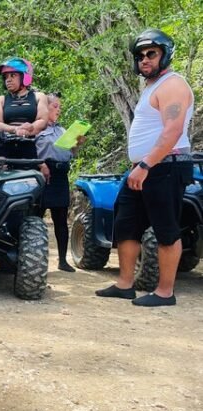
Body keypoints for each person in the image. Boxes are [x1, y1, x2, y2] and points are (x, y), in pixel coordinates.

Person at [95, 28, 194, 307]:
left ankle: (165, 292)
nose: (144, 60)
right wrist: (140, 166)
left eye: (151, 54)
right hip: (144, 168)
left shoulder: (173, 84)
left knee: (166, 229)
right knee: (126, 225)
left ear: (165, 55)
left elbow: (172, 131)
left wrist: (147, 164)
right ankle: (125, 284)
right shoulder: (152, 87)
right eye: (140, 56)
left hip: (164, 166)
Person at [36, 93, 85, 273]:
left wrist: (78, 143)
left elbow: (71, 153)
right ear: (45, 107)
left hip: (60, 176)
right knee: (35, 218)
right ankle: (24, 256)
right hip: (42, 175)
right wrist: (40, 164)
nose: (59, 110)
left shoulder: (62, 130)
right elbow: (28, 151)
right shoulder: (37, 129)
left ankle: (62, 260)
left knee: (61, 221)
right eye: (55, 106)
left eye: (60, 107)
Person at [0, 57, 49, 162]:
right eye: (6, 76)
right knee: (0, 173)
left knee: (29, 176)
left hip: (27, 147)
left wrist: (30, 127)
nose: (8, 79)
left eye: (13, 75)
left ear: (24, 77)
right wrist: (15, 129)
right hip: (3, 148)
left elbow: (42, 121)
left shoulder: (38, 97)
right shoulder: (1, 100)